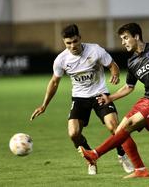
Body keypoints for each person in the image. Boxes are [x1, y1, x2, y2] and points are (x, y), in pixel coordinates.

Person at [78, 22, 149, 178]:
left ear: (136, 36)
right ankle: (140, 170)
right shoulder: (131, 62)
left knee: (129, 125)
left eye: (125, 38)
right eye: (121, 39)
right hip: (147, 99)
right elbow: (129, 87)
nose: (123, 42)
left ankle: (95, 154)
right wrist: (109, 97)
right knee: (120, 129)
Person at [30, 24, 134, 175]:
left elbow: (112, 65)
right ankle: (90, 158)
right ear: (64, 43)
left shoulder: (95, 50)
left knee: (114, 127)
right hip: (79, 98)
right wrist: (44, 105)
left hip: (100, 94)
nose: (72, 46)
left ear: (80, 38)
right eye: (68, 43)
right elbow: (54, 82)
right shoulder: (61, 60)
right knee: (73, 133)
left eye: (74, 41)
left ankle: (122, 155)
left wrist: (115, 74)